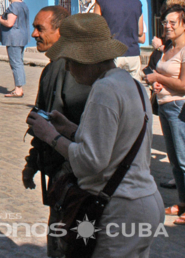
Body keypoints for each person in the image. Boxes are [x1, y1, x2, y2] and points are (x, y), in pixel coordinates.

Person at [27, 13, 164, 258]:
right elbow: (115, 142)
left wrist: (51, 136)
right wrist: (70, 129)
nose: (67, 68)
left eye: (70, 61)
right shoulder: (129, 82)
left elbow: (90, 162)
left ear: (86, 59)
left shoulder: (104, 89)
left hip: (121, 206)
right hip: (145, 199)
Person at [22, 5, 91, 257]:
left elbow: (75, 126)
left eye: (40, 29)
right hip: (60, 175)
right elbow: (42, 118)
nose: (34, 34)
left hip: (74, 176)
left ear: (60, 31)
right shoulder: (53, 68)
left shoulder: (73, 70)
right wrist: (32, 162)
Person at [146, 4, 185, 225]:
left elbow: (183, 85)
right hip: (165, 107)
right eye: (165, 22)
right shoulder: (168, 47)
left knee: (183, 159)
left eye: (173, 22)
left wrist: (158, 79)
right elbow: (165, 75)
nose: (167, 26)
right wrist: (158, 84)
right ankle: (182, 202)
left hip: (179, 108)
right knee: (175, 160)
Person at [93, 0, 144, 81]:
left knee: (112, 87)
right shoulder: (136, 2)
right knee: (134, 88)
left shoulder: (102, 1)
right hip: (133, 54)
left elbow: (95, 28)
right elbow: (140, 31)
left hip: (112, 53)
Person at [0, 0, 30, 98]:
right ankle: (19, 87)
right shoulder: (23, 4)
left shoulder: (13, 6)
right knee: (19, 62)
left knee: (15, 63)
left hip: (14, 38)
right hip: (22, 36)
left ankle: (18, 89)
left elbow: (9, 23)